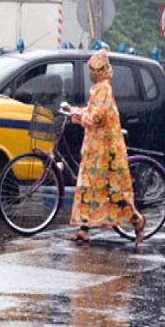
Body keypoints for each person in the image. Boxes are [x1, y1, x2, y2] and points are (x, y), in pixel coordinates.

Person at [66, 49, 146, 248]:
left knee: (113, 191)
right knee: (86, 187)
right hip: (94, 149)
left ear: (100, 71)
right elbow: (92, 111)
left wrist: (79, 117)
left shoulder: (104, 89)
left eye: (93, 70)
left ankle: (137, 220)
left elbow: (97, 117)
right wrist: (75, 111)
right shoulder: (98, 89)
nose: (91, 74)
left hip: (106, 152)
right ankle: (83, 230)